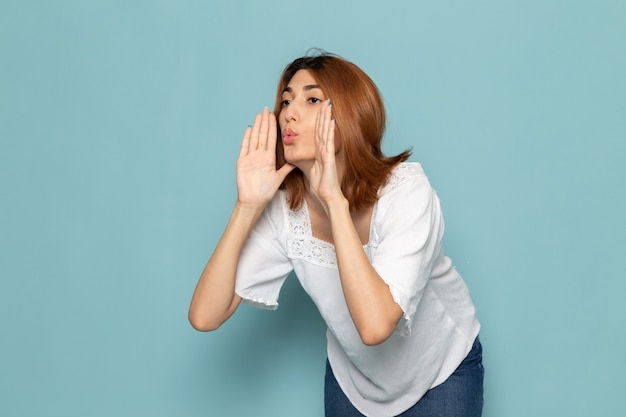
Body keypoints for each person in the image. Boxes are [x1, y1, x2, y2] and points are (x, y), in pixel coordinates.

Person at [189, 52, 484, 417]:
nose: (289, 113)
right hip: (355, 383)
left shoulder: (407, 191)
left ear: (349, 115)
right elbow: (205, 316)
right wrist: (246, 206)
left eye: (311, 99)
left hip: (439, 373)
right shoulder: (285, 209)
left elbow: (376, 326)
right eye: (285, 100)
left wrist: (333, 199)